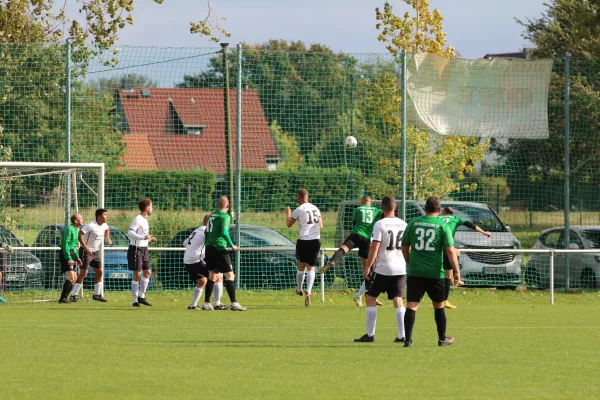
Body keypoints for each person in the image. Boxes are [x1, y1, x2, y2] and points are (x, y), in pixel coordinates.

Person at [400, 196, 460, 347]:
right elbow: (450, 251)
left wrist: (409, 261)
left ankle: (408, 340)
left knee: (411, 305)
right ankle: (442, 339)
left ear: (425, 208)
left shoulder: (413, 223)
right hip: (435, 273)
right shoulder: (442, 225)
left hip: (415, 272)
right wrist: (456, 271)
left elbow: (404, 246)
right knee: (439, 305)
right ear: (439, 210)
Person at [354, 196, 408, 343]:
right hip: (400, 268)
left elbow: (375, 247)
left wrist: (368, 267)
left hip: (384, 268)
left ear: (382, 208)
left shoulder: (380, 224)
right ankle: (402, 335)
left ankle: (370, 335)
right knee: (398, 300)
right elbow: (407, 246)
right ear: (395, 207)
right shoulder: (404, 224)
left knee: (370, 298)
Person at [320, 195, 383, 307]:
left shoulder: (357, 210)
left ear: (361, 202)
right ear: (370, 203)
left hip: (356, 234)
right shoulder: (375, 210)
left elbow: (354, 223)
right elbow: (383, 215)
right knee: (368, 271)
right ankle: (368, 296)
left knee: (343, 248)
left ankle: (333, 261)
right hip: (367, 239)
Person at [440, 206, 491, 309]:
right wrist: (484, 232)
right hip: (446, 248)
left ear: (443, 211)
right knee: (447, 275)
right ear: (452, 213)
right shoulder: (456, 219)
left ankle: (453, 276)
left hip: (437, 247)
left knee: (457, 253)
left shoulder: (437, 218)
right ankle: (445, 300)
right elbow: (471, 225)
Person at [202, 196, 246, 311]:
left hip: (209, 248)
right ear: (227, 205)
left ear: (218, 205)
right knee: (230, 275)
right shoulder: (224, 216)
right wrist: (232, 245)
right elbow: (224, 232)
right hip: (219, 247)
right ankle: (234, 303)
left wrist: (207, 243)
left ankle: (206, 303)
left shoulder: (212, 215)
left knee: (212, 275)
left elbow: (206, 231)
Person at [285, 188, 322, 307]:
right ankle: (309, 291)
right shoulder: (315, 208)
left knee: (301, 265)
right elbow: (321, 226)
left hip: (304, 241)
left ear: (299, 198)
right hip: (315, 240)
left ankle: (299, 289)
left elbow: (289, 224)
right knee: (311, 268)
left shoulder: (299, 209)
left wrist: (288, 214)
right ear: (307, 197)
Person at [70, 209, 112, 303]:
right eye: (105, 215)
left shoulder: (104, 225)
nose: (107, 216)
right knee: (84, 273)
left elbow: (107, 229)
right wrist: (85, 247)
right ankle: (73, 295)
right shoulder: (91, 225)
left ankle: (97, 295)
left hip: (96, 252)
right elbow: (80, 234)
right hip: (86, 252)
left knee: (100, 272)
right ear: (99, 216)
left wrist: (108, 238)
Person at [127, 198, 157, 307]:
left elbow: (144, 236)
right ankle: (135, 300)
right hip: (136, 248)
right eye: (151, 206)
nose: (152, 209)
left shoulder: (145, 220)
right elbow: (130, 232)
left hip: (144, 249)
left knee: (148, 272)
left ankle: (142, 296)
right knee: (137, 273)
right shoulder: (138, 219)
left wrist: (149, 239)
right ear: (147, 207)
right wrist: (143, 237)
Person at [58, 214, 83, 303]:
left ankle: (65, 298)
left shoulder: (76, 229)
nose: (82, 219)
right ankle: (63, 299)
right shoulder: (69, 229)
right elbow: (65, 244)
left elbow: (73, 246)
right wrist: (68, 258)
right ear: (76, 221)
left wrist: (77, 257)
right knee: (71, 276)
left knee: (75, 277)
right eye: (80, 218)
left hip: (72, 253)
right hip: (66, 253)